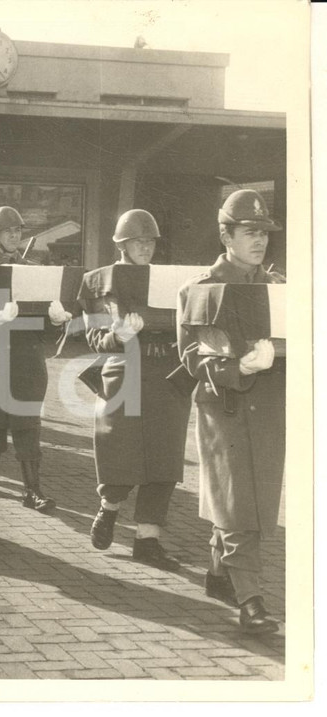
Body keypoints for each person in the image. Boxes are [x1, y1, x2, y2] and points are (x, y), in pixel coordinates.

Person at [176, 189, 285, 634]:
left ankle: (219, 571)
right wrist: (236, 365)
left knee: (252, 495)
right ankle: (251, 600)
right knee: (238, 498)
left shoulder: (279, 288)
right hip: (225, 405)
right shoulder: (200, 290)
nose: (259, 241)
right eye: (249, 232)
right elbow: (190, 356)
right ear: (226, 235)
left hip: (271, 405)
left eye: (264, 233)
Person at [78, 209, 190, 571]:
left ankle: (147, 540)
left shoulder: (172, 280)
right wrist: (118, 334)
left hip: (167, 374)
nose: (146, 247)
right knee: (120, 453)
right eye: (138, 241)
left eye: (151, 241)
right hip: (123, 368)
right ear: (122, 243)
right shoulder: (98, 283)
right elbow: (96, 337)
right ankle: (109, 509)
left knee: (164, 459)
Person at [0, 206, 71, 511]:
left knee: (28, 423)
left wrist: (55, 319)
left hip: (26, 354)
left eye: (18, 231)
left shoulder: (34, 269)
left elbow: (42, 319)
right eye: (7, 231)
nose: (14, 236)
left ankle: (32, 490)